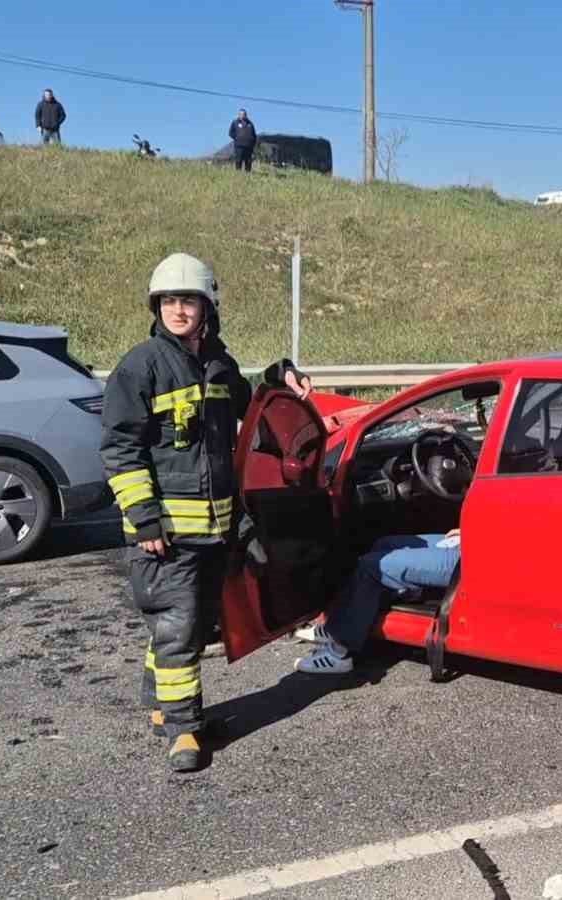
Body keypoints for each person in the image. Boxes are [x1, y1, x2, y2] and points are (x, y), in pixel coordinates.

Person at [100, 252, 312, 772]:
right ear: (157, 307)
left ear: (206, 307)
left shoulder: (219, 364)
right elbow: (119, 449)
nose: (177, 309)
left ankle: (160, 705)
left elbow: (251, 404)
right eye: (168, 301)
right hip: (165, 532)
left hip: (215, 530)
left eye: (187, 300)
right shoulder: (141, 366)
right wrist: (144, 518)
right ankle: (184, 730)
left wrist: (278, 375)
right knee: (178, 624)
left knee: (190, 628)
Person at [294, 529, 462, 674]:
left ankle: (339, 652)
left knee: (372, 566)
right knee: (384, 544)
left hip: (474, 554)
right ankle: (340, 625)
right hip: (470, 539)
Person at [228, 109, 257, 173]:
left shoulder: (250, 123)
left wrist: (253, 143)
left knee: (248, 161)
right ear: (239, 115)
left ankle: (248, 173)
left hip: (248, 146)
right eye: (241, 114)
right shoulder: (235, 122)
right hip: (239, 145)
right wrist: (237, 138)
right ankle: (238, 173)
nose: (242, 115)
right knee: (239, 160)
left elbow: (254, 135)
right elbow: (230, 133)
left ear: (246, 115)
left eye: (244, 114)